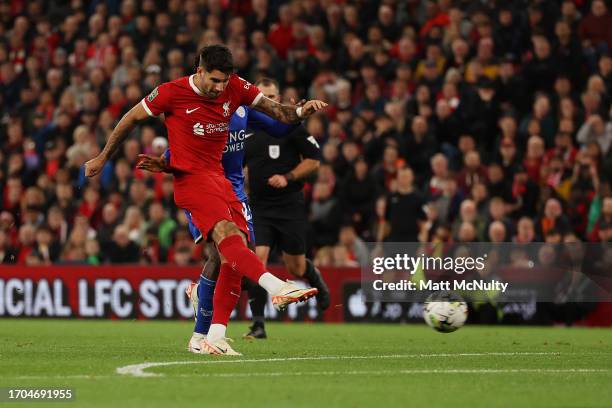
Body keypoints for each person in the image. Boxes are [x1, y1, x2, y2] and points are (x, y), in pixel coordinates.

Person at [85, 45, 327, 356]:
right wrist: (103, 157)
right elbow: (131, 118)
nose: (219, 88)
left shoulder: (236, 89)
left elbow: (280, 115)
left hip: (223, 181)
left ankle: (212, 335)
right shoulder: (170, 93)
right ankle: (276, 287)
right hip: (191, 181)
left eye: (224, 81)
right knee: (227, 237)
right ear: (199, 71)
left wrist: (300, 112)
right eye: (214, 80)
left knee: (234, 253)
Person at [243, 77, 330, 339]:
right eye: (263, 96)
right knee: (256, 262)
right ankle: (258, 324)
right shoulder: (246, 127)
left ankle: (315, 279)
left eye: (273, 96)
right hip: (259, 207)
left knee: (296, 268)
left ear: (279, 99)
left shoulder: (291, 125)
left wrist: (289, 177)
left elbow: (314, 161)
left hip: (289, 206)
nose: (268, 101)